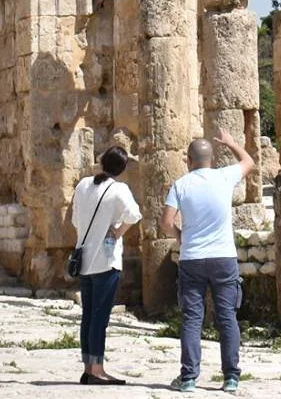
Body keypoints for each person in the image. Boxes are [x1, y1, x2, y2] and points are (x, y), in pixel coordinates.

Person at [161, 132, 253, 393]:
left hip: (192, 258)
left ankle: (189, 378)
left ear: (188, 160)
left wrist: (182, 237)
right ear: (212, 160)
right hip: (224, 257)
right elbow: (249, 162)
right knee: (227, 317)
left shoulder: (180, 185)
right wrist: (232, 144)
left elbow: (166, 223)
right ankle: (231, 378)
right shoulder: (224, 176)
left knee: (192, 318)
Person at [70, 146, 141, 386]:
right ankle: (98, 370)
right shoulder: (119, 189)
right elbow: (134, 214)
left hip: (85, 260)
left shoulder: (82, 185)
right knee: (100, 317)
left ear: (102, 163)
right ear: (122, 168)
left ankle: (89, 367)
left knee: (88, 316)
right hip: (107, 260)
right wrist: (117, 231)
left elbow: (74, 220)